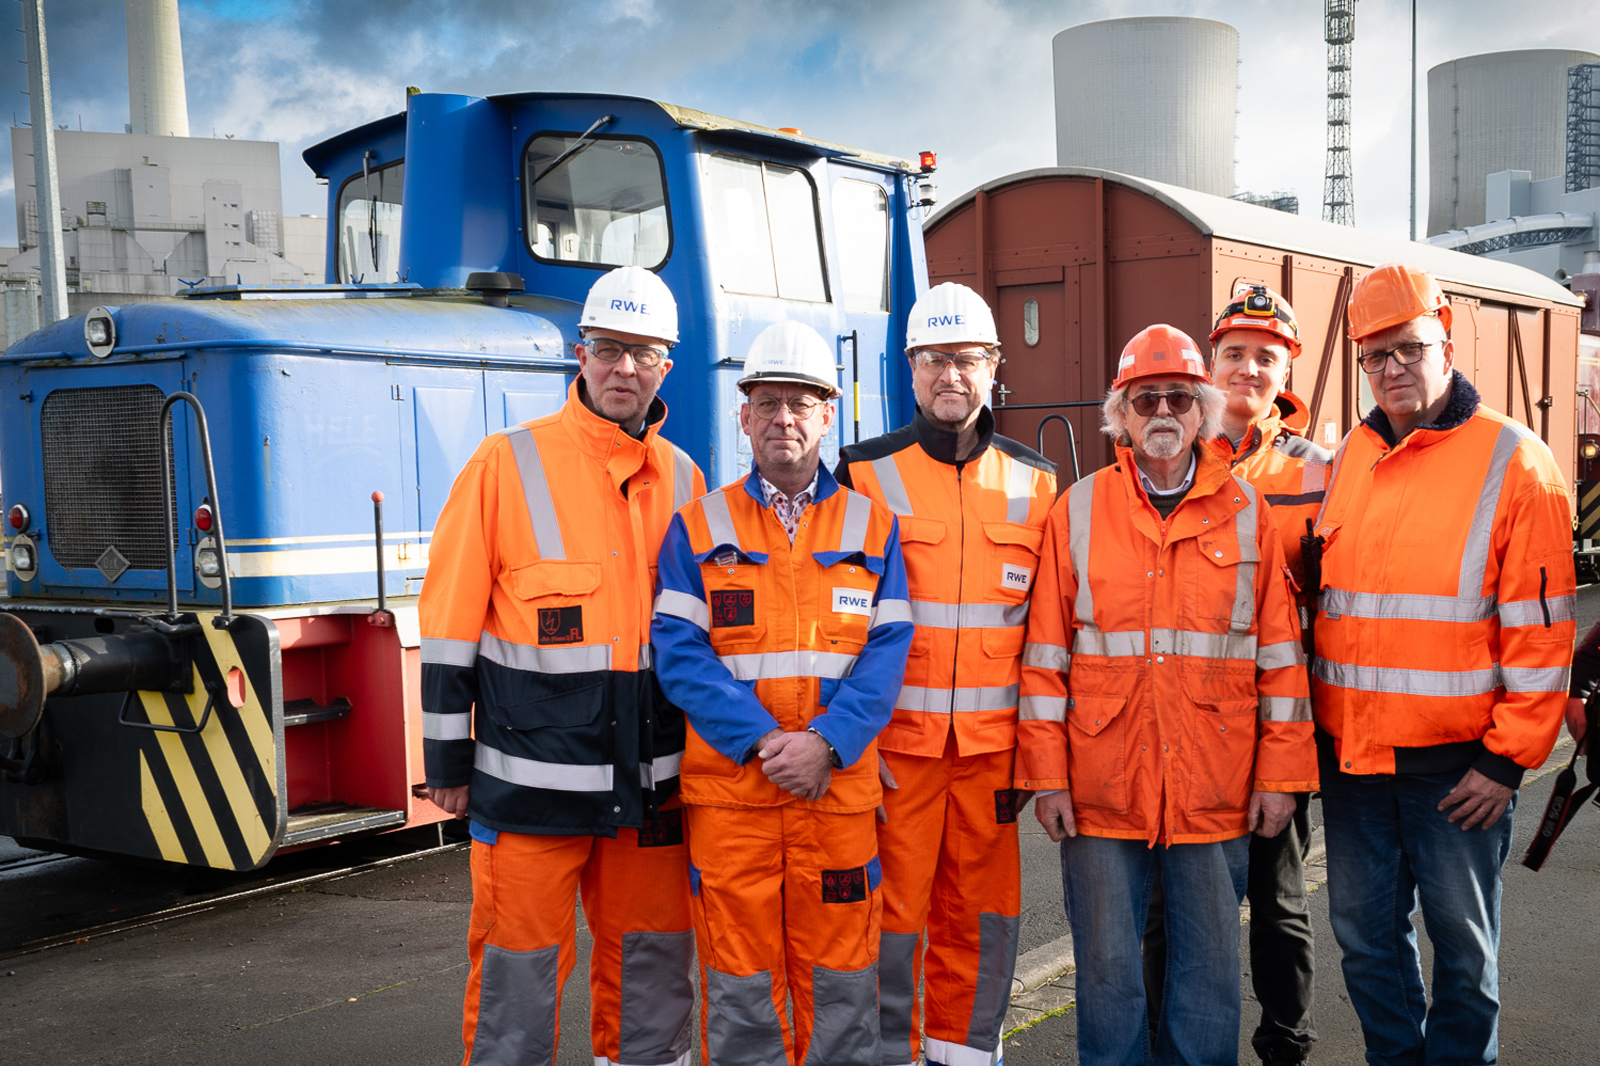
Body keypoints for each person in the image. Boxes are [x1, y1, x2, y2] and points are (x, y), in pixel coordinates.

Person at [419, 265, 706, 1066]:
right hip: (528, 790)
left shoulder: (685, 479)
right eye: (609, 350)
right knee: (518, 978)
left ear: (665, 366)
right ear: (579, 354)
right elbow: (448, 624)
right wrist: (444, 759)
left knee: (652, 981)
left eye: (642, 354)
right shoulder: (502, 465)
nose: (624, 369)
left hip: (651, 788)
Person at [1018, 324, 1316, 1066]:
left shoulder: (1248, 512)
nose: (1162, 410)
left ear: (1204, 410)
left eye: (1179, 397)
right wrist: (1046, 777)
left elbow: (1280, 660)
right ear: (1119, 412)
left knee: (1209, 973)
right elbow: (1045, 658)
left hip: (1213, 783)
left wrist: (1281, 777)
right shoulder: (1079, 511)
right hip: (1099, 788)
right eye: (1145, 396)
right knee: (1110, 971)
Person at [1311, 262, 1576, 1063]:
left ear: (1447, 340)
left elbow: (1542, 632)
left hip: (1459, 769)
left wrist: (1507, 762)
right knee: (1365, 942)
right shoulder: (1352, 455)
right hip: (1355, 759)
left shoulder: (1515, 462)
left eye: (1408, 349)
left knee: (1465, 955)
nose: (1391, 370)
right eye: (1373, 356)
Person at [652, 320, 914, 1065]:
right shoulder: (699, 525)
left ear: (829, 414)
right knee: (740, 979)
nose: (784, 419)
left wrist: (828, 744)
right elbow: (679, 651)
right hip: (736, 796)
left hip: (834, 796)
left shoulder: (874, 525)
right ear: (744, 416)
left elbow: (889, 650)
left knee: (842, 975)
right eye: (767, 404)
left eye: (802, 404)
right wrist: (769, 743)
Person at [834, 282, 1056, 1066]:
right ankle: (889, 1053)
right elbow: (834, 627)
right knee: (889, 918)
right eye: (934, 360)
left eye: (966, 359)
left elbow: (1047, 636)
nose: (950, 375)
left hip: (993, 758)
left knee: (983, 918)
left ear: (994, 366)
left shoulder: (1037, 483)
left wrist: (1038, 756)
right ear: (911, 369)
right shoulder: (860, 475)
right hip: (896, 755)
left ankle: (965, 1054)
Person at [1142, 286, 1330, 1066]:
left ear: (1285, 368)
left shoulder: (1325, 471)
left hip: (1279, 727)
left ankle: (1284, 1044)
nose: (1249, 367)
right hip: (1186, 732)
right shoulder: (1172, 460)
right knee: (1172, 909)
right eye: (1234, 354)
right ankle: (1165, 1042)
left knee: (1281, 907)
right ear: (1211, 368)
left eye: (1265, 355)